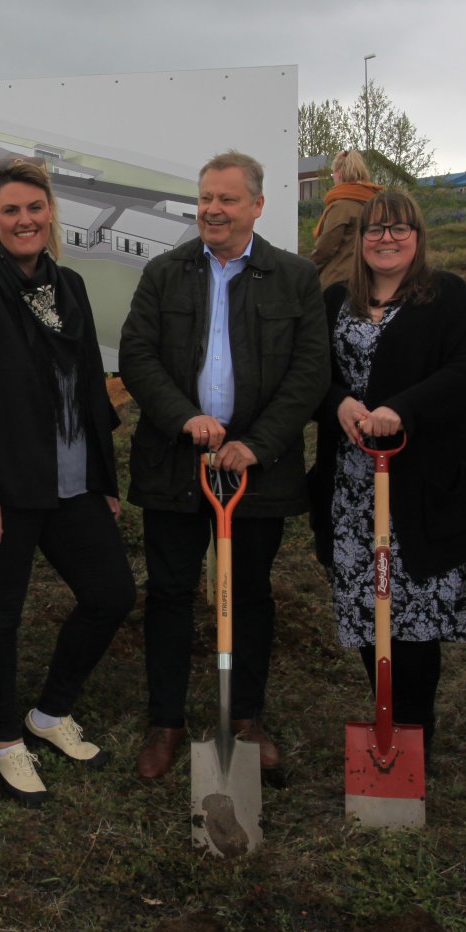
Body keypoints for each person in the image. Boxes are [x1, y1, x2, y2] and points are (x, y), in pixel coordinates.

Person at [0, 157, 136, 806]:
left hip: (71, 483)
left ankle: (49, 712)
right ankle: (4, 740)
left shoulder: (68, 286)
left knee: (110, 594)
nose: (24, 220)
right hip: (3, 486)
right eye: (10, 211)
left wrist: (103, 477)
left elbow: (86, 391)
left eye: (34, 208)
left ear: (51, 215)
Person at [119, 150, 329, 780]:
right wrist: (185, 418)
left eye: (227, 199)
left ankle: (246, 719)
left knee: (252, 593)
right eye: (206, 198)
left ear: (257, 206)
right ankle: (166, 722)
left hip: (256, 465)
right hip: (176, 460)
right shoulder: (164, 272)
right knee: (169, 592)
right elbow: (137, 355)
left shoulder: (294, 277)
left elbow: (309, 371)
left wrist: (256, 443)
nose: (212, 209)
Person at [308, 191, 466, 749]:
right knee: (365, 605)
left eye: (399, 229)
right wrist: (339, 403)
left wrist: (402, 409)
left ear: (418, 237)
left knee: (412, 613)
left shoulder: (446, 295)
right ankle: (386, 719)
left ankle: (414, 730)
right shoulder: (335, 300)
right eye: (375, 230)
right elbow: (310, 372)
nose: (387, 239)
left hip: (419, 484)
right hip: (350, 486)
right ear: (359, 241)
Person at [309, 149, 384, 288]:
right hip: (369, 279)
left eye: (333, 173)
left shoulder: (342, 206)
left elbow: (326, 248)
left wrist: (306, 269)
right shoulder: (374, 203)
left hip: (338, 281)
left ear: (339, 173)